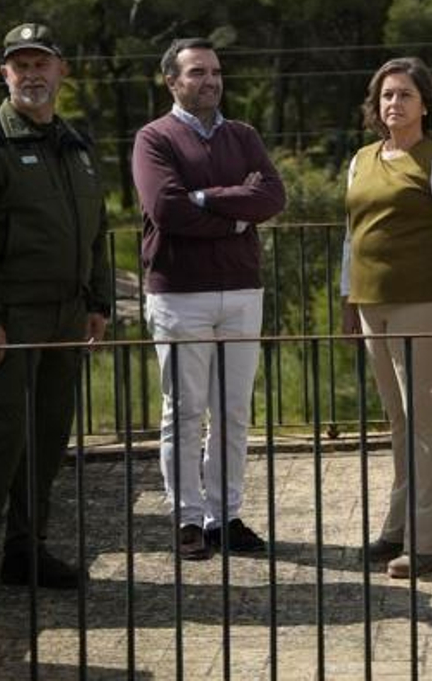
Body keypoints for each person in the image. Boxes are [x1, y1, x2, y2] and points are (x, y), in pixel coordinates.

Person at [0, 22, 113, 614]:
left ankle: (26, 552)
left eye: (43, 64)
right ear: (5, 74)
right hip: (12, 318)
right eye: (21, 65)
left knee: (47, 439)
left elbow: (96, 231)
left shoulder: (77, 145)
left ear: (62, 71)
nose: (33, 75)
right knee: (2, 441)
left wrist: (98, 302)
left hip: (69, 314)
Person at [132, 38, 285, 561]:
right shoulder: (154, 139)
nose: (211, 81)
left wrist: (206, 199)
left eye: (216, 71)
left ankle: (225, 515)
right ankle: (187, 518)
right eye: (197, 72)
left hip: (242, 291)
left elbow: (273, 196)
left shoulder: (243, 135)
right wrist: (236, 212)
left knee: (233, 412)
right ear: (172, 81)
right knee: (185, 412)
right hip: (180, 294)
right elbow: (166, 209)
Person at [340, 57, 432, 579]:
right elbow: (352, 235)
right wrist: (349, 298)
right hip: (373, 304)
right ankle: (398, 526)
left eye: (405, 95)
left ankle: (431, 540)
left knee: (424, 418)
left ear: (425, 105)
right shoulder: (361, 159)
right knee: (397, 419)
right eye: (387, 95)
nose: (394, 104)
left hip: (424, 302)